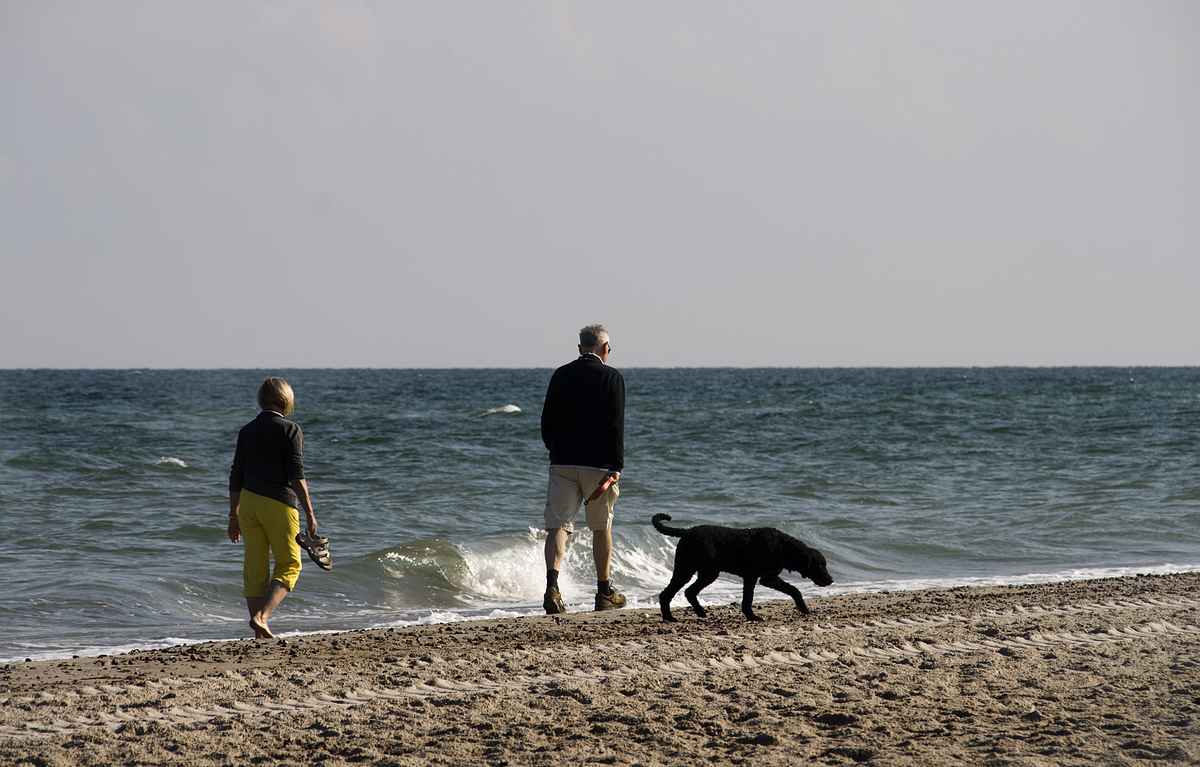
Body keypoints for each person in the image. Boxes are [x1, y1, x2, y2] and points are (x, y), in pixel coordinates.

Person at [540, 323, 627, 614]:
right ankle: (603, 591)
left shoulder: (561, 375)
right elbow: (616, 425)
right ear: (605, 349)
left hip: (563, 461)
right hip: (599, 464)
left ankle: (552, 588)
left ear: (580, 348)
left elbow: (546, 422)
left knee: (558, 526)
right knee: (601, 527)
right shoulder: (612, 377)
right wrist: (616, 466)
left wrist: (555, 450)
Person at [227, 377, 319, 639]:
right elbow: (296, 476)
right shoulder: (290, 429)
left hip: (249, 504)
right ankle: (262, 617)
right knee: (290, 564)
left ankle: (259, 631)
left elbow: (236, 474)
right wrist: (310, 513)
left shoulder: (247, 430)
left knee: (254, 567)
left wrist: (233, 515)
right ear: (285, 400)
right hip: (279, 504)